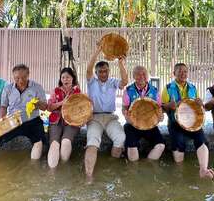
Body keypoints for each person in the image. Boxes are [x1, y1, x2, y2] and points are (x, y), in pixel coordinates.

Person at [0, 64, 48, 161]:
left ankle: (34, 170)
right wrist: (2, 119)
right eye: (17, 78)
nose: (21, 81)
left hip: (32, 120)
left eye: (23, 77)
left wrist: (37, 104)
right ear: (13, 77)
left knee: (38, 143)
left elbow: (44, 107)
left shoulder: (37, 87)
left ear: (28, 75)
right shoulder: (8, 88)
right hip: (12, 120)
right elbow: (3, 106)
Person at [161, 63, 214, 179]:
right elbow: (162, 107)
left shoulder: (193, 87)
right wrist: (168, 105)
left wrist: (201, 104)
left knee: (201, 138)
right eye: (179, 71)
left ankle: (203, 169)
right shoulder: (168, 88)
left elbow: (199, 107)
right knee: (178, 141)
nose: (183, 73)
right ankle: (179, 173)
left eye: (185, 71)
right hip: (175, 122)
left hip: (192, 122)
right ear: (174, 73)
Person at [84, 42, 128, 178]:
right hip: (94, 118)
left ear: (109, 71)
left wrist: (120, 63)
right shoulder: (92, 82)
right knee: (92, 141)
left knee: (121, 137)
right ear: (96, 73)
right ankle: (88, 176)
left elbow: (124, 81)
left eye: (105, 71)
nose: (103, 73)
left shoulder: (113, 82)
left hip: (111, 118)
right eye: (100, 71)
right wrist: (97, 51)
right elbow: (88, 70)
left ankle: (112, 167)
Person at [122, 65, 165, 161]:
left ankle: (147, 165)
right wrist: (126, 116)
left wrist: (160, 116)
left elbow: (159, 109)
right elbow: (124, 107)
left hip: (150, 125)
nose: (141, 76)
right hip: (132, 124)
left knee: (160, 146)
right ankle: (135, 169)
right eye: (138, 74)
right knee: (132, 151)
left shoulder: (154, 91)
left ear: (148, 76)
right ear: (133, 76)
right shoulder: (128, 90)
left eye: (144, 74)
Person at [46, 67, 82, 168]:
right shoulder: (55, 91)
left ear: (73, 79)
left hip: (72, 121)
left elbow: (82, 109)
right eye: (63, 77)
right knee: (54, 144)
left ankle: (63, 167)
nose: (65, 80)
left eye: (68, 77)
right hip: (56, 120)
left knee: (66, 142)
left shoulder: (77, 92)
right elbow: (49, 108)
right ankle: (52, 172)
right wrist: (62, 102)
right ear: (60, 79)